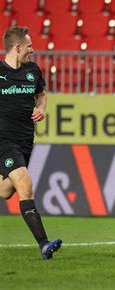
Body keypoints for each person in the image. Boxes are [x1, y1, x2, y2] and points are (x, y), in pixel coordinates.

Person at [0, 26, 62, 259]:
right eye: (28, 46)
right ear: (17, 47)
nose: (32, 50)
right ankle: (44, 244)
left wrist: (41, 109)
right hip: (4, 141)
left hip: (26, 141)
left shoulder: (33, 70)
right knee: (25, 184)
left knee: (6, 191)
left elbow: (42, 95)